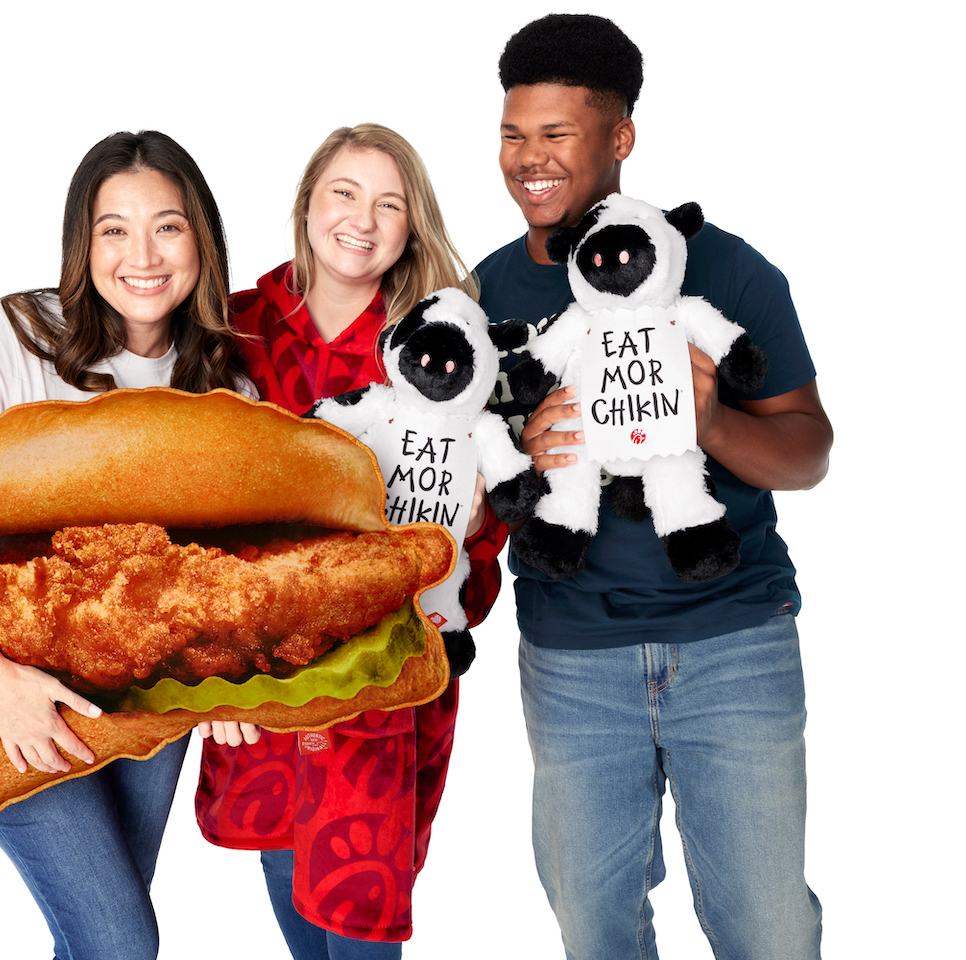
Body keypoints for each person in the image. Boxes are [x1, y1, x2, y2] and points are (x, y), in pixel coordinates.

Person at [475, 15, 832, 960]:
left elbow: (809, 451)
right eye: (513, 135)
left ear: (620, 138)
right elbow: (458, 471)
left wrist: (710, 421)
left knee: (767, 931)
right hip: (573, 656)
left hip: (734, 641)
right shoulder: (485, 293)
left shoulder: (722, 267)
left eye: (557, 134)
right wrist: (516, 445)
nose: (529, 160)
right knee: (594, 932)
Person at [0, 130, 250, 960]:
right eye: (114, 229)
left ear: (201, 239)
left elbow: (221, 562)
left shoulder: (224, 384)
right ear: (83, 243)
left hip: (149, 689)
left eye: (167, 226)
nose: (141, 254)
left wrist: (234, 685)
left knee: (102, 937)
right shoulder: (11, 336)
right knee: (119, 941)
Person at [193, 123, 507, 958]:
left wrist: (474, 524)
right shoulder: (233, 328)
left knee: (361, 935)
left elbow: (473, 575)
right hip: (262, 688)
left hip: (383, 692)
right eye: (345, 192)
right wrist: (204, 671)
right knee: (301, 935)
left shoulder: (445, 349)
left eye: (389, 203)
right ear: (306, 203)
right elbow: (184, 513)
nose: (362, 220)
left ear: (411, 227)